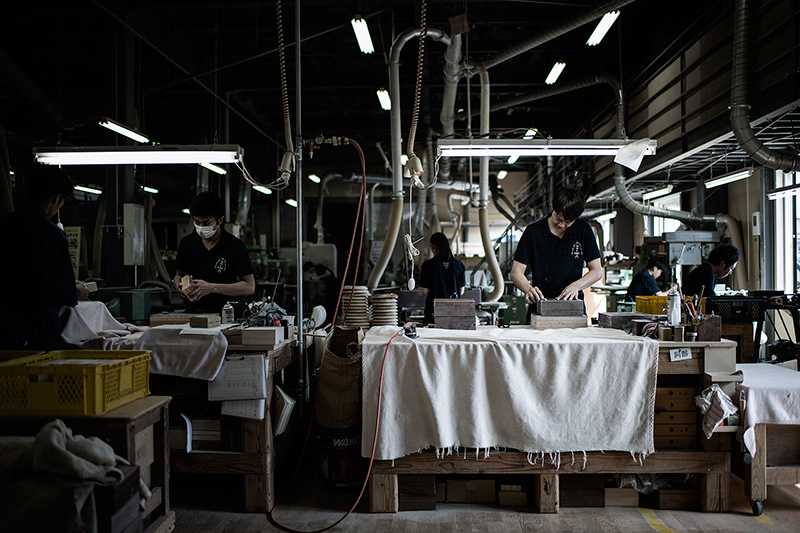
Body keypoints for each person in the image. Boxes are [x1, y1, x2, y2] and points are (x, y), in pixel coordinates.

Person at [0, 165, 90, 350]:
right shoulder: (51, 234)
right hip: (33, 337)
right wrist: (78, 291)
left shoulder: (3, 225)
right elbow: (60, 294)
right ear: (57, 198)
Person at [510, 187, 602, 322]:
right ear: (552, 206)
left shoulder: (583, 230)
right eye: (558, 218)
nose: (562, 225)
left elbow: (597, 271)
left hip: (573, 306)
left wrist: (577, 286)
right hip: (540, 305)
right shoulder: (533, 232)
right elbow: (516, 272)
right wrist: (528, 289)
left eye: (568, 222)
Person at [173, 192, 255, 312]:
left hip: (224, 314)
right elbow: (178, 274)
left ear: (220, 220)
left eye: (206, 223)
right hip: (193, 313)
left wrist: (211, 288)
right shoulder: (187, 243)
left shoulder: (235, 246)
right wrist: (178, 286)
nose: (200, 227)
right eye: (196, 222)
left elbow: (249, 287)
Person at [418, 232, 466, 326]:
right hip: (454, 310)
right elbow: (461, 291)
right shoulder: (459, 265)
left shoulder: (427, 265)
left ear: (432, 246)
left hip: (434, 311)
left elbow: (424, 291)